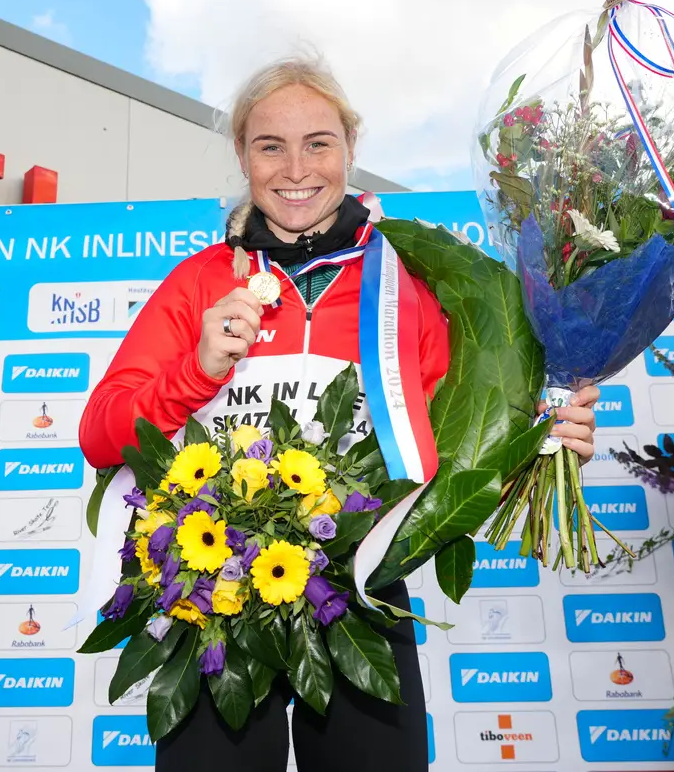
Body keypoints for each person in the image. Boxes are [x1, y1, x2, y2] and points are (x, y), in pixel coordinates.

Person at [78, 57, 600, 772]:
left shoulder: (408, 281)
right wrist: (195, 371)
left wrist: (540, 443)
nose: (297, 168)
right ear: (243, 155)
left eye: (318, 142)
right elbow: (101, 433)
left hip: (360, 587)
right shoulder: (200, 281)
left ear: (351, 147)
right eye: (270, 146)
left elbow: (458, 452)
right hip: (212, 596)